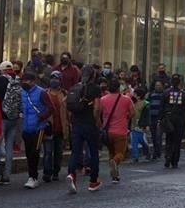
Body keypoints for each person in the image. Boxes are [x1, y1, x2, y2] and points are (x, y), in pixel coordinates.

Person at [66, 65, 103, 193]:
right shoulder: (95, 88)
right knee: (93, 152)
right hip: (89, 124)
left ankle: (71, 174)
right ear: (93, 75)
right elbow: (97, 108)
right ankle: (93, 181)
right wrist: (97, 121)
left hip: (76, 123)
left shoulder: (74, 87)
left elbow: (69, 108)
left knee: (75, 152)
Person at [0, 61, 23, 185]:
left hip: (1, 117)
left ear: (1, 69)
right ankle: (6, 176)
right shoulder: (17, 81)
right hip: (13, 118)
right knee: (9, 146)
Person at [19, 71, 52, 189]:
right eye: (23, 80)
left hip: (39, 127)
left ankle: (33, 177)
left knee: (35, 152)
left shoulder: (41, 93)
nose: (25, 82)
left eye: (27, 80)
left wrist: (41, 117)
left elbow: (50, 107)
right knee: (28, 153)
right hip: (26, 127)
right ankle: (31, 176)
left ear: (33, 81)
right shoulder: (22, 93)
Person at [101, 79, 134, 183]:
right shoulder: (126, 99)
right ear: (118, 88)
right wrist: (126, 116)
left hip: (107, 131)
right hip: (120, 131)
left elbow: (99, 113)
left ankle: (115, 175)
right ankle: (114, 162)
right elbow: (133, 113)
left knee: (112, 152)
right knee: (120, 153)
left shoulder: (103, 99)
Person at [42, 70, 68, 183]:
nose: (54, 80)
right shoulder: (44, 94)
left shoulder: (65, 94)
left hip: (61, 128)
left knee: (58, 152)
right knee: (48, 152)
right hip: (49, 128)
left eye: (57, 78)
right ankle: (47, 172)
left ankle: (56, 172)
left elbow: (68, 112)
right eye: (52, 78)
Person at [162, 75, 185, 168]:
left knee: (169, 139)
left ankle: (167, 156)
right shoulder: (183, 94)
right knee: (177, 141)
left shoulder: (166, 93)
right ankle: (175, 160)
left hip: (169, 118)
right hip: (179, 119)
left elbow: (162, 106)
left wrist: (162, 118)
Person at [130, 86, 151, 163]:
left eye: (135, 93)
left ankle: (147, 153)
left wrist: (147, 125)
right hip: (133, 125)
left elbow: (147, 116)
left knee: (143, 142)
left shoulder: (146, 104)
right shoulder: (132, 103)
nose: (133, 94)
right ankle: (135, 157)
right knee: (134, 142)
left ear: (138, 95)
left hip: (141, 126)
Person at [147, 78, 165, 160]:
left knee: (158, 136)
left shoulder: (164, 94)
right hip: (152, 117)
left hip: (160, 118)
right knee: (154, 136)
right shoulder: (151, 94)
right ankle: (156, 150)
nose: (157, 87)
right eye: (156, 85)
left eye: (159, 85)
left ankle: (157, 152)